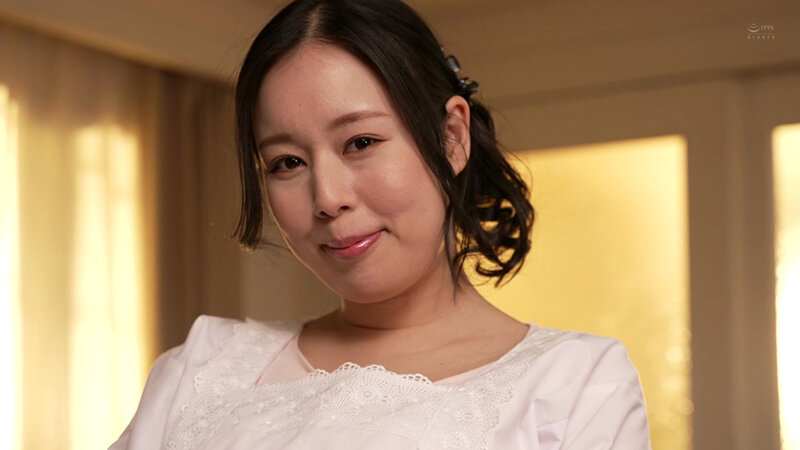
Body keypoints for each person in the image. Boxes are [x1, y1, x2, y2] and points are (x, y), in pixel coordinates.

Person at [110, 0, 651, 448]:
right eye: (287, 162)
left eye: (361, 142)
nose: (328, 198)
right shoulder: (201, 369)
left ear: (452, 139)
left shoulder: (577, 386)